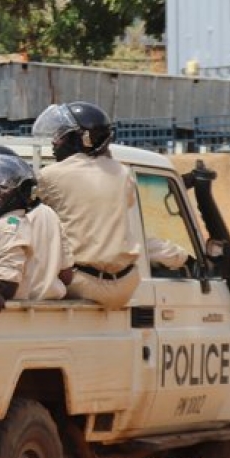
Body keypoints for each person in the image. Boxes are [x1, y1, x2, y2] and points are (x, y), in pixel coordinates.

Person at [31, 101, 142, 309]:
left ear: (83, 139)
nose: (54, 142)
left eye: (60, 135)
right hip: (127, 283)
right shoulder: (123, 173)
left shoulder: (50, 175)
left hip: (81, 283)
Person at [0, 154, 71, 301]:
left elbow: (5, 285)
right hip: (46, 303)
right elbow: (67, 275)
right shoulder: (47, 213)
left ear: (22, 191)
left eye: (4, 186)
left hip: (9, 311)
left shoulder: (8, 224)